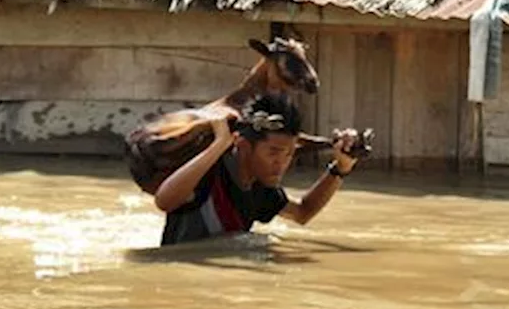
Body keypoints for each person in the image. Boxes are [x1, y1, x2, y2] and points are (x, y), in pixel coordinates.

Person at [153, 93, 361, 246]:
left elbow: (302, 213)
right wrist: (218, 145)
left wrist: (340, 168)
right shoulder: (209, 170)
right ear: (243, 146)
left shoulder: (261, 188)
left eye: (288, 154)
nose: (281, 164)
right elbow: (164, 200)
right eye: (273, 153)